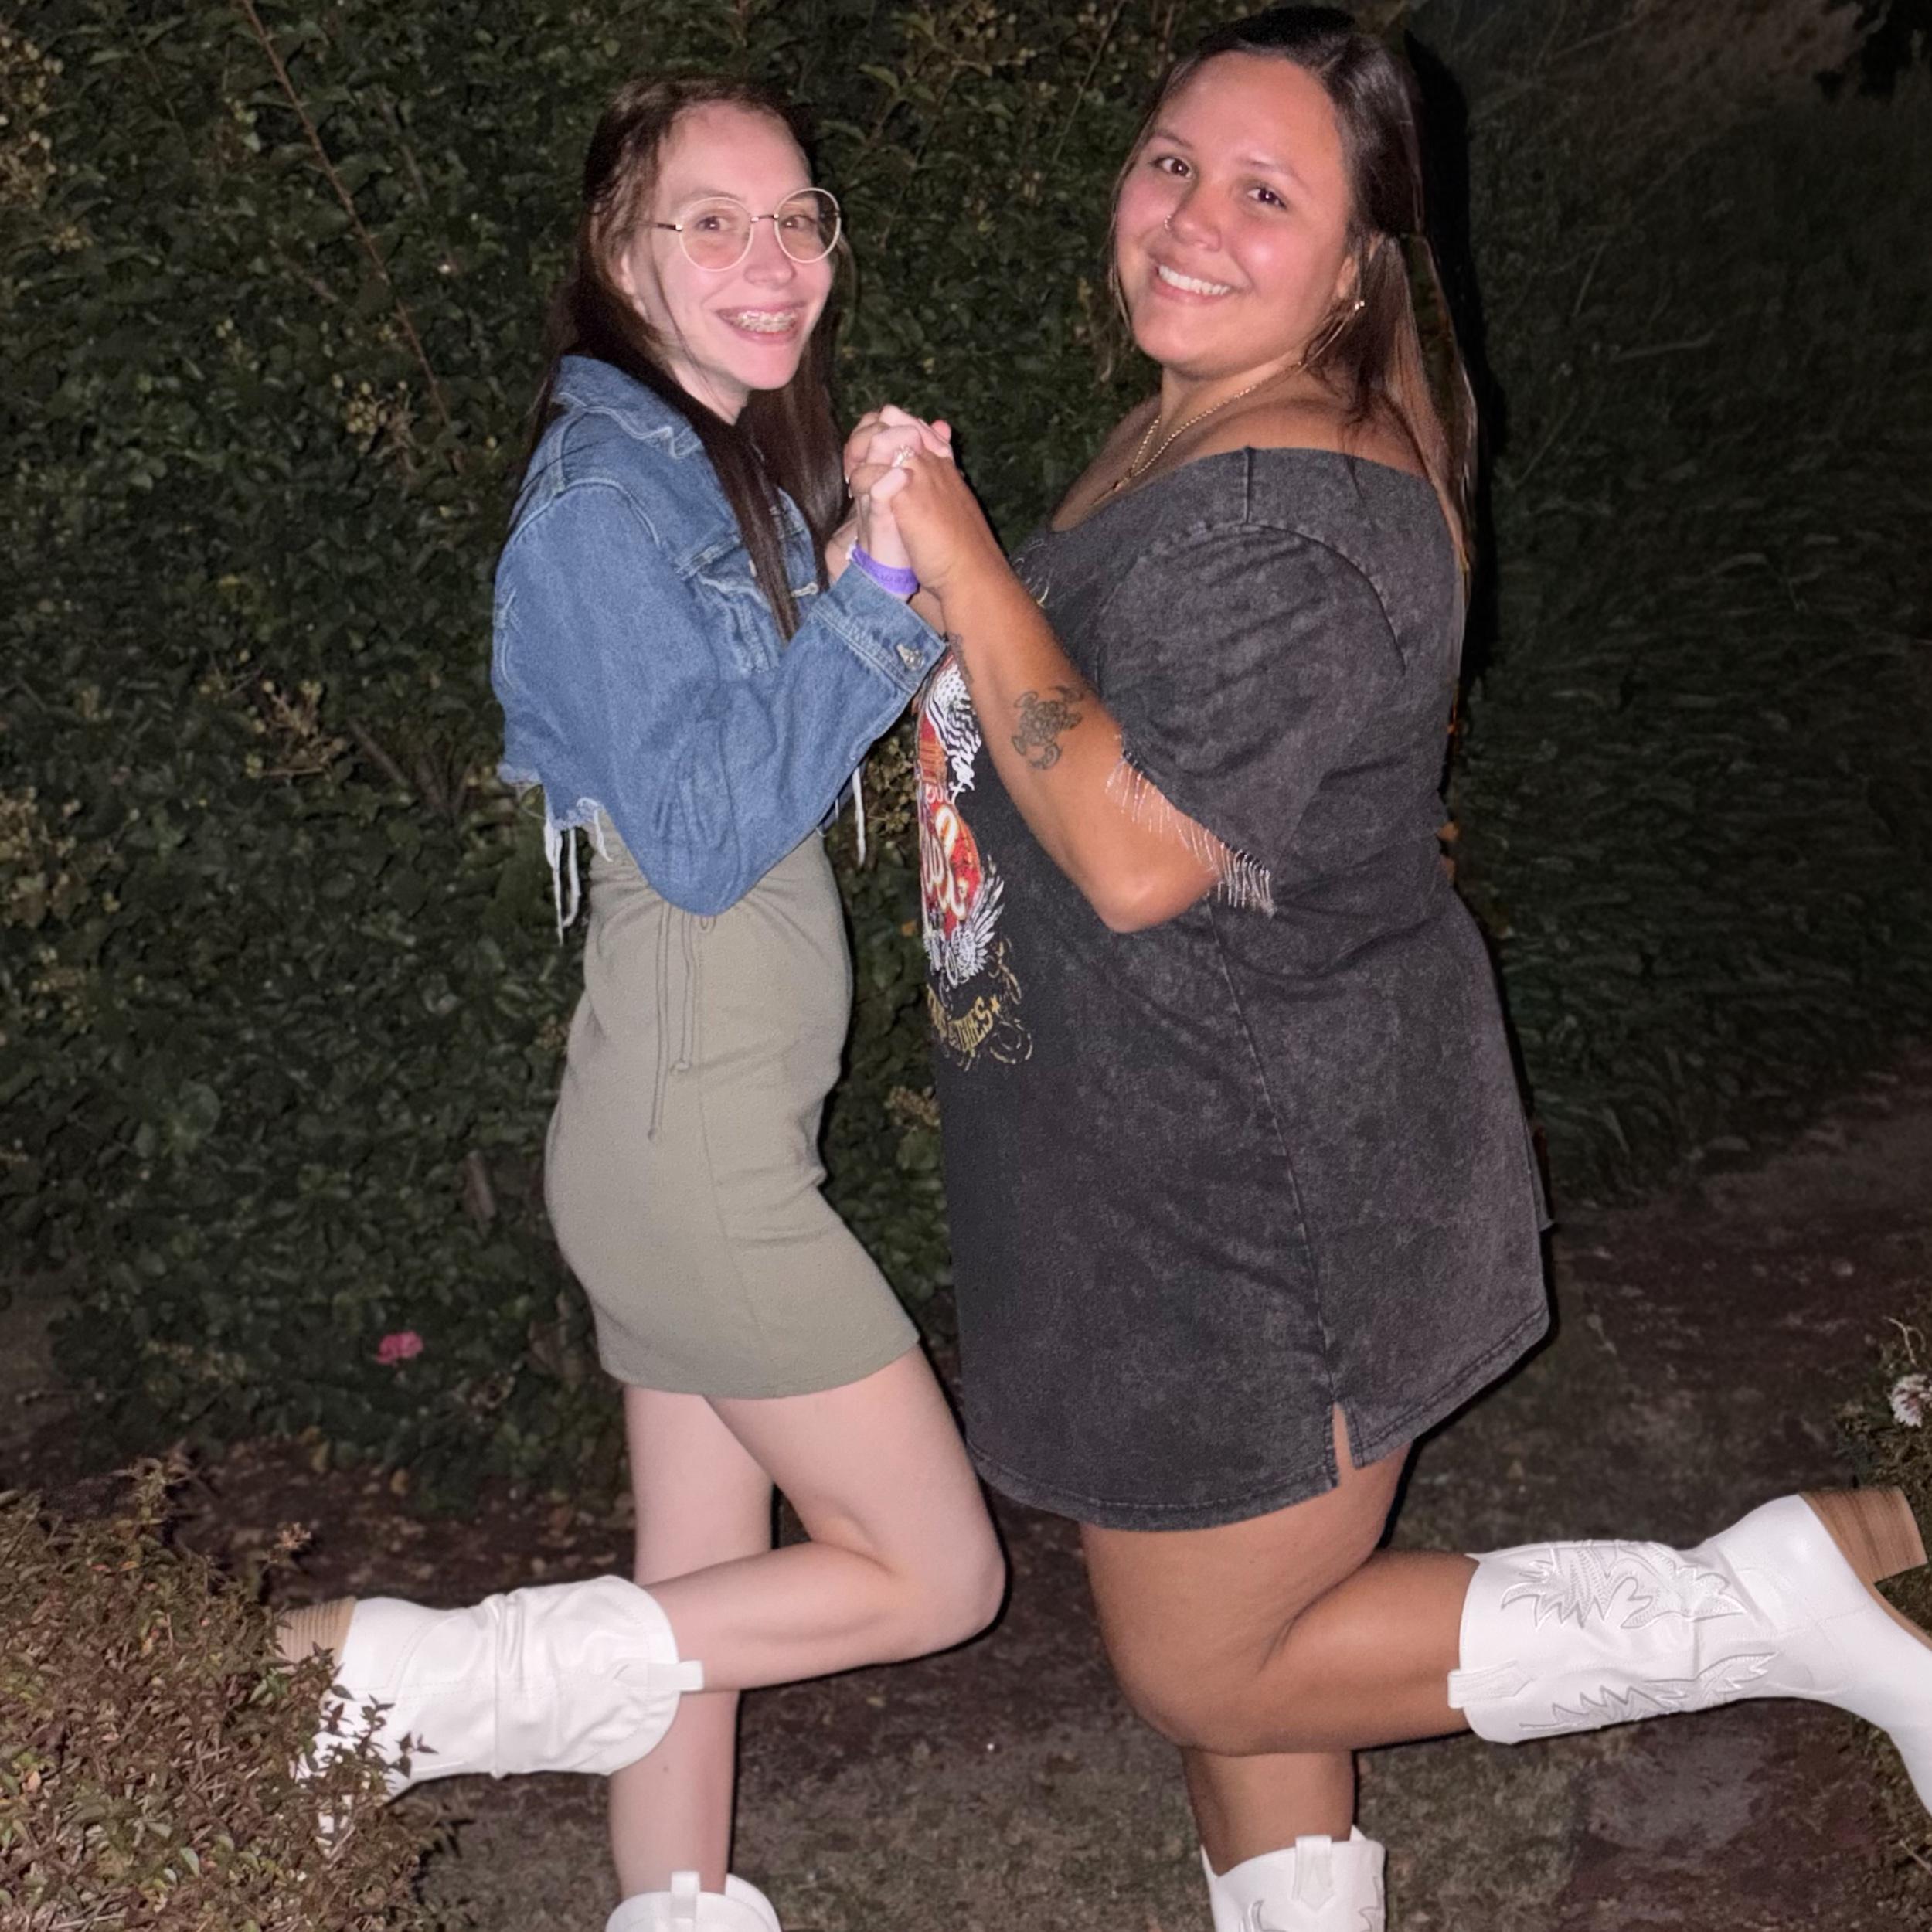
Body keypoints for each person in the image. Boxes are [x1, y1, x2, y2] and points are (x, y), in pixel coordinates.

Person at [852, 9, 1932, 1926]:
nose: (1189, 217)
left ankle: (1760, 1604)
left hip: (1270, 1201)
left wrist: (960, 552)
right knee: (1252, 1660)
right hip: (1151, 1176)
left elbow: (1133, 854)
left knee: (1213, 1663)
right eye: (1170, 160)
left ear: (1356, 263)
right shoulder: (1192, 425)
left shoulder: (1305, 517)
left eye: (1264, 193)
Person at [278, 74, 1002, 1932]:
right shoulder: (603, 495)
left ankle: (673, 1906)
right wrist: (880, 589)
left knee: (697, 1581)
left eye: (797, 218)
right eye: (713, 222)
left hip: (682, 1124)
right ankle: (426, 1675)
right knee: (935, 1573)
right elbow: (698, 836)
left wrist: (852, 548)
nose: (773, 260)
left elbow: (732, 731)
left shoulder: (687, 465)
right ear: (622, 252)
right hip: (696, 1157)